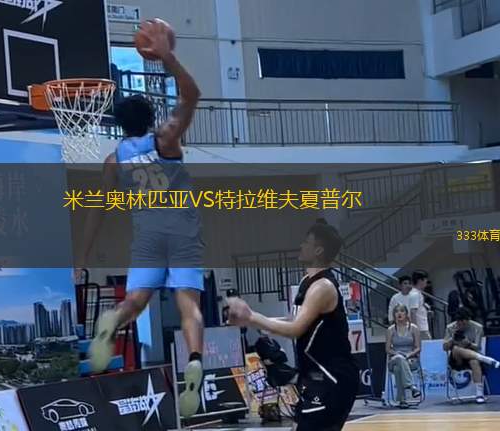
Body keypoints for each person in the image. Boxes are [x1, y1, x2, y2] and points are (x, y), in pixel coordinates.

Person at [76, 20, 204, 418]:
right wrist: (167, 58)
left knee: (135, 301)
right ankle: (195, 361)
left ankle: (113, 320)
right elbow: (192, 95)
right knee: (189, 306)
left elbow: (97, 209)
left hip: (146, 233)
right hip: (181, 233)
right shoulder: (165, 139)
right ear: (151, 118)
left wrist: (82, 258)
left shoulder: (114, 159)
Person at [226, 220, 358, 431]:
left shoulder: (322, 287)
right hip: (315, 375)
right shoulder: (307, 281)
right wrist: (259, 321)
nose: (301, 245)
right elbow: (293, 320)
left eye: (306, 242)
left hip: (332, 376)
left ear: (318, 250)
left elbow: (296, 328)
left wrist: (251, 317)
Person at [443, 307, 500, 404]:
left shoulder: (478, 327)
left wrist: (468, 343)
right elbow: (444, 348)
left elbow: (477, 347)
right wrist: (452, 339)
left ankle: (479, 394)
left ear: (468, 320)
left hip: (472, 355)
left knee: (474, 362)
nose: (460, 324)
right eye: (458, 322)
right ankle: (487, 359)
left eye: (463, 322)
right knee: (456, 349)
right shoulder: (450, 328)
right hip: (456, 359)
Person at [385, 304, 422, 408]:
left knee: (398, 369)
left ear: (406, 314)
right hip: (394, 358)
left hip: (411, 359)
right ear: (394, 315)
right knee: (399, 359)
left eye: (402, 311)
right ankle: (411, 386)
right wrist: (397, 354)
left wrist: (409, 355)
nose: (399, 313)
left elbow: (418, 348)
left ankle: (402, 400)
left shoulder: (413, 328)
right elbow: (388, 349)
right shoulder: (391, 330)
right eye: (397, 311)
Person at [411, 270, 431, 340]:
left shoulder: (417, 293)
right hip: (420, 329)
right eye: (425, 280)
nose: (426, 282)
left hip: (422, 327)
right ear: (420, 280)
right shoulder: (415, 294)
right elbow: (412, 312)